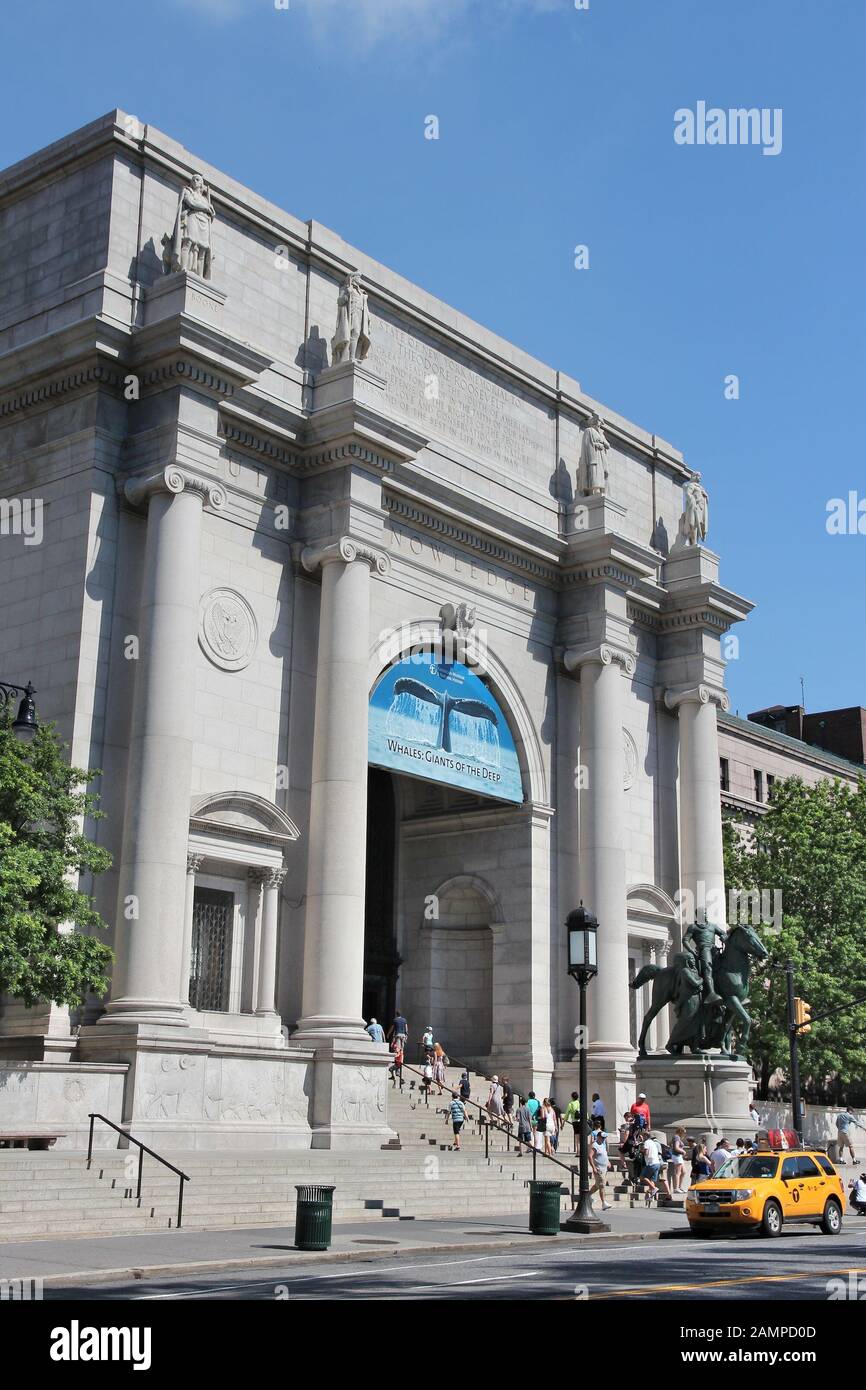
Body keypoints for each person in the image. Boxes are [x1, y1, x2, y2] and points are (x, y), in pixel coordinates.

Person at [640, 1133, 670, 1201]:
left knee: (642, 1177)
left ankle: (653, 1188)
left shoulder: (647, 1142)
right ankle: (651, 1197)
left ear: (646, 1136)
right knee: (652, 1180)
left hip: (651, 1163)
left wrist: (641, 1151)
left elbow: (646, 1152)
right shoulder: (653, 1143)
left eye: (643, 1136)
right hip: (657, 1163)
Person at [589, 1128, 613, 1210]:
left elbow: (604, 1154)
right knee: (602, 1185)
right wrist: (593, 1167)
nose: (603, 1139)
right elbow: (590, 1156)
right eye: (602, 1137)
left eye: (604, 1138)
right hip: (598, 1168)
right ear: (598, 1137)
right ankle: (603, 1203)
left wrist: (608, 1162)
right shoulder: (594, 1145)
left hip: (604, 1168)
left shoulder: (602, 1145)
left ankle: (587, 1196)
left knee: (597, 1185)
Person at [668, 1127, 687, 1193]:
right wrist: (683, 1151)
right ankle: (676, 1188)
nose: (684, 1134)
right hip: (677, 1156)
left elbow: (670, 1143)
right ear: (680, 1131)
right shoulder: (677, 1137)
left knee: (684, 1171)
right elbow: (676, 1148)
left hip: (678, 1156)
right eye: (684, 1132)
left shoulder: (676, 1137)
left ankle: (679, 1187)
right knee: (678, 1173)